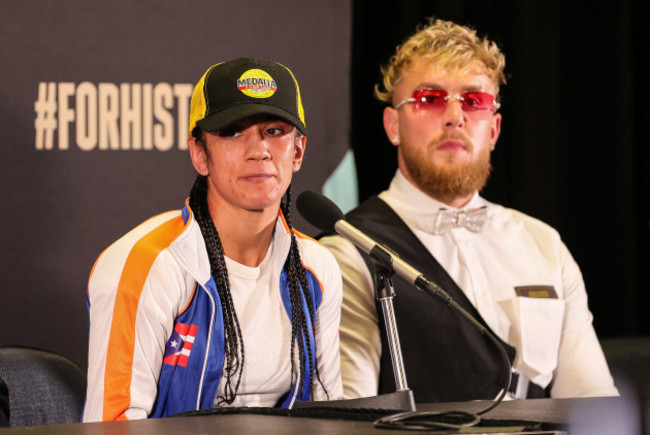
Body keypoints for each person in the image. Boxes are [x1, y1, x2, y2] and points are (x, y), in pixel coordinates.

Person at [321, 18, 618, 403]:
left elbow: (593, 405)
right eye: (430, 98)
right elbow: (350, 419)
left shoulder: (544, 244)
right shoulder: (348, 251)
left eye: (474, 101)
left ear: (494, 130)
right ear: (393, 125)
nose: (454, 116)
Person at [83, 58, 343, 421]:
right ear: (199, 154)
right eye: (233, 132)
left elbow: (331, 417)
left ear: (297, 152)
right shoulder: (146, 264)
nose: (259, 150)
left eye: (274, 131)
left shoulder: (316, 268)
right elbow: (113, 425)